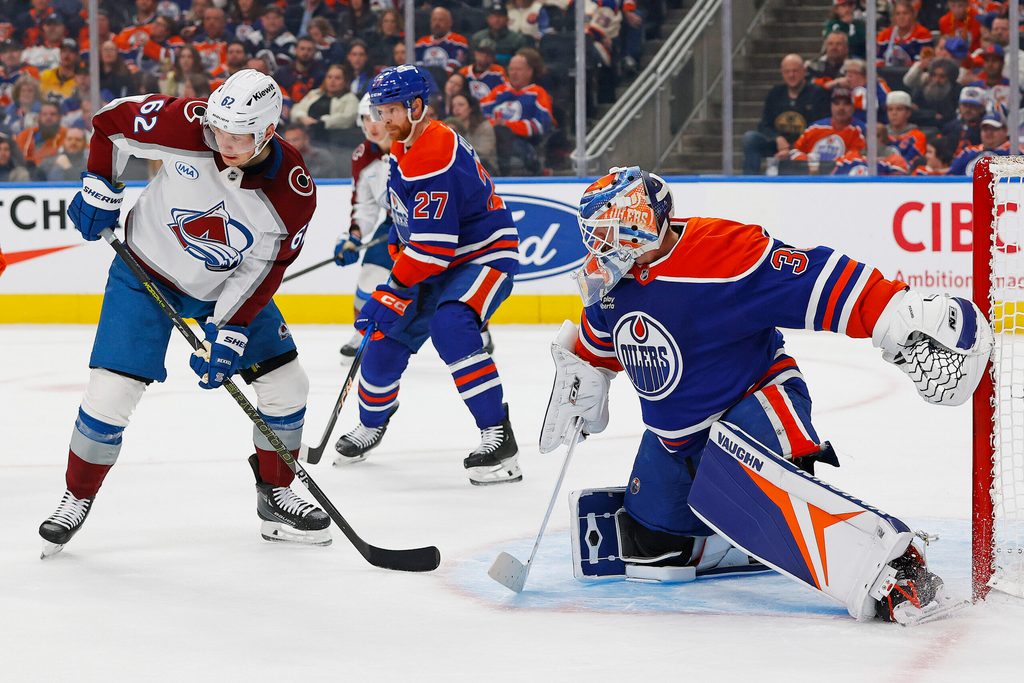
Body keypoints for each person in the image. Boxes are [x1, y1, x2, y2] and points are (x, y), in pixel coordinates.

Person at [546, 165, 991, 623]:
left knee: (746, 478)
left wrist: (892, 308)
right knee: (651, 549)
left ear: (635, 223)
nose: (597, 248)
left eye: (604, 233)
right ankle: (748, 538)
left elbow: (813, 278)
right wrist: (584, 370)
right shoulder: (611, 284)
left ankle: (895, 568)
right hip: (676, 439)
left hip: (754, 408)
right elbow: (601, 341)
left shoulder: (723, 252)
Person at [37, 69, 328, 557]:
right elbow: (111, 122)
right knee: (112, 392)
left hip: (224, 285)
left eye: (238, 136)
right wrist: (100, 185)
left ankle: (276, 493)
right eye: (217, 130)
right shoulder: (188, 125)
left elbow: (263, 269)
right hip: (145, 273)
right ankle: (76, 496)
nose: (222, 143)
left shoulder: (291, 195)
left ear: (268, 133)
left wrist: (231, 331)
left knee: (286, 383)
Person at [333, 65, 522, 486]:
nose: (382, 121)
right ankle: (371, 423)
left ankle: (499, 436)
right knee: (383, 341)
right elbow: (413, 229)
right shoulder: (406, 147)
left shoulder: (433, 153)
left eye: (390, 111)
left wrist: (392, 286)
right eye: (378, 112)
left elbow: (435, 247)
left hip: (483, 254)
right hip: (439, 261)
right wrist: (398, 264)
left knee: (451, 325)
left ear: (416, 107)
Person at [334, 93, 394, 358]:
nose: (372, 124)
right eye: (366, 117)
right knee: (370, 276)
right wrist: (355, 235)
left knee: (448, 283)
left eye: (378, 116)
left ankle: (478, 330)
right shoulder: (363, 156)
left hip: (436, 226)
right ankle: (363, 332)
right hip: (395, 225)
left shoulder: (416, 146)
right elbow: (366, 204)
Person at [741, 54, 829, 175]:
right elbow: (764, 125)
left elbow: (820, 128)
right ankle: (749, 182)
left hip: (805, 147)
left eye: (795, 71)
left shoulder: (817, 94)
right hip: (778, 146)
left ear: (804, 71)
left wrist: (793, 148)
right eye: (787, 71)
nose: (791, 75)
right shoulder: (775, 93)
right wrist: (776, 138)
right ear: (782, 73)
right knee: (750, 138)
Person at [480, 51, 555, 175]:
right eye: (511, 69)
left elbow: (542, 124)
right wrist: (495, 125)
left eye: (519, 69)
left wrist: (508, 126)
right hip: (491, 139)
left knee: (506, 137)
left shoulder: (537, 93)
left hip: (523, 142)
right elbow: (480, 115)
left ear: (529, 72)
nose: (514, 73)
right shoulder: (498, 91)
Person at [789, 86, 866, 171]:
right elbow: (794, 150)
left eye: (846, 103)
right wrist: (805, 160)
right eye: (836, 103)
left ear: (853, 107)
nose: (841, 108)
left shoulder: (860, 130)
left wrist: (827, 167)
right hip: (812, 179)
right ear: (831, 106)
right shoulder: (815, 128)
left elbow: (856, 158)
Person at [290, 63, 360, 143]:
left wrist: (320, 122)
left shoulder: (351, 98)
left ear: (345, 81)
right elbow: (296, 108)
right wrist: (302, 118)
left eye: (337, 78)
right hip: (305, 135)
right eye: (329, 77)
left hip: (334, 140)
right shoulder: (315, 93)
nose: (332, 81)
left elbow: (348, 118)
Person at [948, 109, 1013, 175]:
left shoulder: (1014, 152)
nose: (989, 133)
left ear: (1005, 130)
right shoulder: (968, 152)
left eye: (994, 129)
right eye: (985, 129)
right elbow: (950, 177)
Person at [445, 92, 498, 174]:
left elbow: (484, 152)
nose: (456, 109)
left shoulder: (484, 126)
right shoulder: (450, 127)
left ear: (470, 108)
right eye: (453, 106)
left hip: (485, 170)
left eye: (461, 105)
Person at [876, 0, 933, 67]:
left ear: (912, 15)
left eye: (905, 13)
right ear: (893, 17)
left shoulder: (923, 34)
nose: (901, 17)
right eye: (898, 14)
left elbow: (925, 61)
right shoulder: (884, 35)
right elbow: (877, 60)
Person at [416, 6, 470, 74]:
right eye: (434, 20)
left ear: (450, 22)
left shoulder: (458, 41)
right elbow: (418, 68)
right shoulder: (421, 43)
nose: (437, 23)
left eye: (441, 20)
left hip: (447, 82)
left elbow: (453, 67)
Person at [15, 100, 67, 170]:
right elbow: (17, 157)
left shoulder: (68, 135)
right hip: (28, 171)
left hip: (55, 171)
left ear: (59, 117)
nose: (48, 117)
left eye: (53, 114)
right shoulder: (25, 135)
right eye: (44, 114)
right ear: (39, 117)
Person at [884, 90, 926, 165]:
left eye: (899, 109)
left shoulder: (917, 136)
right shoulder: (880, 133)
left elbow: (913, 162)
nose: (894, 113)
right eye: (890, 109)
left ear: (908, 113)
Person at [942, 84, 985, 154]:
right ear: (959, 106)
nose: (968, 109)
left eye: (973, 106)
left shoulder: (985, 129)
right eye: (965, 105)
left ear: (981, 108)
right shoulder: (950, 127)